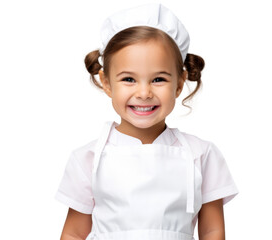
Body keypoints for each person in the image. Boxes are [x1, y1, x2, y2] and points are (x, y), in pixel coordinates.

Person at [55, 3, 238, 240]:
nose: (144, 93)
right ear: (107, 83)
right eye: (129, 79)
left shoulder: (202, 155)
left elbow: (212, 231)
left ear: (180, 84)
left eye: (158, 79)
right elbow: (74, 233)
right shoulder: (87, 159)